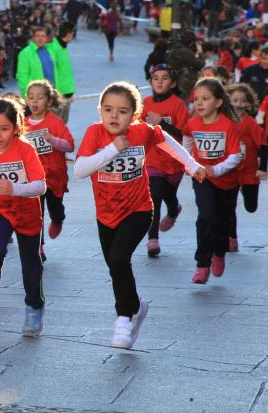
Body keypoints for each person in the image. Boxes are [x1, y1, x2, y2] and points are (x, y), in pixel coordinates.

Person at [74, 81, 202, 349]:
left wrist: (191, 164)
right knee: (115, 265)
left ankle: (123, 317)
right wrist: (112, 149)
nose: (113, 116)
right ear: (100, 111)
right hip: (106, 213)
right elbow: (80, 170)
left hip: (139, 209)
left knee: (120, 258)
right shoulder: (94, 134)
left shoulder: (141, 132)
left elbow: (164, 140)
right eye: (108, 109)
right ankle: (136, 306)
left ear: (134, 115)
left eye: (122, 111)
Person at [0, 98, 47, 337]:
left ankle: (34, 308)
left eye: (4, 129)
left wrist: (15, 189)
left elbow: (41, 186)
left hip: (27, 214)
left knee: (30, 265)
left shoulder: (25, 149)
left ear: (16, 127)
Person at [183, 78, 243, 284]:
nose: (199, 103)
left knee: (222, 223)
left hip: (227, 181)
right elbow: (187, 142)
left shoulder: (228, 125)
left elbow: (236, 156)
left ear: (218, 102)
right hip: (203, 179)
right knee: (205, 217)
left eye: (205, 99)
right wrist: (190, 165)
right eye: (196, 99)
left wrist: (216, 169)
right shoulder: (192, 123)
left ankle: (219, 252)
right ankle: (202, 264)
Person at [140, 64, 189, 257]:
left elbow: (183, 133)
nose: (159, 81)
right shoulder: (144, 103)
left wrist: (162, 123)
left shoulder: (178, 104)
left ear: (173, 82)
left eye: (164, 77)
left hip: (174, 160)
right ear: (150, 82)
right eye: (155, 78)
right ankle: (153, 239)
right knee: (155, 196)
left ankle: (174, 209)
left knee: (169, 195)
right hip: (153, 159)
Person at [24, 80, 74, 240]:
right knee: (35, 213)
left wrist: (53, 140)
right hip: (33, 177)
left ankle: (58, 219)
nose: (34, 101)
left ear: (49, 101)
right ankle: (39, 246)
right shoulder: (22, 124)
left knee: (55, 208)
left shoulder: (55, 122)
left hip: (54, 176)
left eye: (39, 97)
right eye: (31, 97)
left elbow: (69, 146)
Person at [227, 83, 268, 253]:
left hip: (250, 170)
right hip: (231, 171)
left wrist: (262, 168)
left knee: (251, 207)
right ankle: (231, 239)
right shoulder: (224, 122)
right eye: (235, 100)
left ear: (248, 104)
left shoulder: (250, 123)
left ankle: (247, 191)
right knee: (229, 206)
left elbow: (263, 146)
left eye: (242, 101)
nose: (238, 103)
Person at [45, 22, 76, 123]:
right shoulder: (53, 48)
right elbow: (52, 72)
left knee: (63, 124)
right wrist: (55, 92)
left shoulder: (63, 47)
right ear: (69, 34)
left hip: (67, 92)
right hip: (59, 94)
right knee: (56, 124)